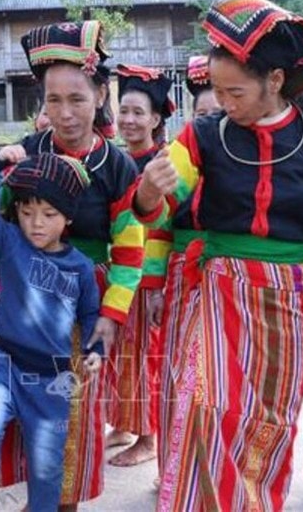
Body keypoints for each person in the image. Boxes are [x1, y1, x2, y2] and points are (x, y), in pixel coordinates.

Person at [148, 0, 303, 511]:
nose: (224, 103)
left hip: (290, 296)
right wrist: (149, 191)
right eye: (218, 92)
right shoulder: (202, 136)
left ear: (273, 80)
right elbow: (158, 207)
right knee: (206, 406)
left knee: (269, 418)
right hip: (220, 289)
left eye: (235, 92)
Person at [0, 20, 168, 509]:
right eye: (53, 100)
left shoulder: (117, 167)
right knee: (9, 402)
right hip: (26, 295)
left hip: (83, 305)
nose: (66, 112)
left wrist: (112, 316)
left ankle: (63, 500)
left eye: (77, 99)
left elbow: (131, 249)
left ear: (101, 95)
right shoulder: (24, 153)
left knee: (73, 410)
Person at [0, 152, 104, 512]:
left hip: (53, 378)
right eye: (27, 213)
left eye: (49, 215)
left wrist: (95, 350)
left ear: (68, 217)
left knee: (47, 472)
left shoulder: (81, 268)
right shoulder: (10, 244)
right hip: (4, 366)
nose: (36, 224)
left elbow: (90, 314)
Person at [155, 54, 221, 487]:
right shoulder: (175, 161)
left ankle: (213, 471)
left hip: (227, 274)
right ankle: (172, 469)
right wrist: (155, 284)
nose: (212, 121)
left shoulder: (250, 160)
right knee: (177, 373)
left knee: (220, 381)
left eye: (219, 112)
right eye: (203, 115)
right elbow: (157, 226)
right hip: (182, 274)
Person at [105, 63, 175, 467]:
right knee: (122, 356)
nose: (129, 121)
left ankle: (148, 438)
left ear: (155, 119)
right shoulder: (116, 160)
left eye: (138, 113)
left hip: (149, 276)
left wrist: (161, 283)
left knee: (146, 356)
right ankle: (126, 423)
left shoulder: (164, 162)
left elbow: (169, 224)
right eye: (124, 112)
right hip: (121, 272)